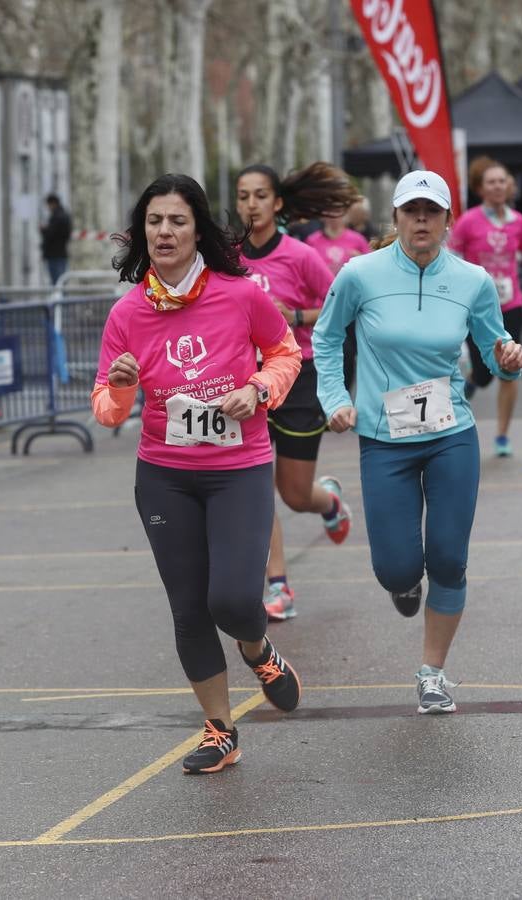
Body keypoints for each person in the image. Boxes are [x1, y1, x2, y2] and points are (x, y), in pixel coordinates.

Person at [92, 173, 304, 774]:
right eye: (154, 222)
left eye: (177, 221)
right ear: (143, 234)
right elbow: (107, 409)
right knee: (188, 608)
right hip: (165, 475)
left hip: (238, 469)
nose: (164, 232)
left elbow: (285, 352)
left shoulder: (240, 295)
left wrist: (258, 387)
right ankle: (219, 730)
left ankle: (258, 649)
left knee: (234, 600)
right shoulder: (128, 313)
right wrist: (121, 388)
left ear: (197, 231)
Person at [312, 169, 522, 715]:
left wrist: (507, 358)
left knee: (450, 559)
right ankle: (405, 584)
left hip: (451, 433)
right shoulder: (360, 274)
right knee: (398, 569)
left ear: (448, 220)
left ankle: (433, 674)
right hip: (385, 439)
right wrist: (334, 397)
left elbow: (492, 341)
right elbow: (327, 335)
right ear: (397, 218)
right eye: (413, 211)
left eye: (433, 211)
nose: (422, 220)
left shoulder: (473, 280)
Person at [235, 162, 357, 622]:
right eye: (243, 195)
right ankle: (279, 585)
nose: (251, 204)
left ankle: (327, 499)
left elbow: (339, 306)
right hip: (249, 380)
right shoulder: (228, 257)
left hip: (301, 376)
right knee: (255, 486)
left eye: (260, 195)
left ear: (278, 202)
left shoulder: (301, 255)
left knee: (294, 494)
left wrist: (297, 318)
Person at [448, 157, 522, 457]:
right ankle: (474, 380)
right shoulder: (469, 221)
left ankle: (502, 435)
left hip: (511, 304)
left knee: (510, 368)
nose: (497, 186)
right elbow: (451, 259)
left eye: (502, 181)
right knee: (485, 373)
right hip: (476, 308)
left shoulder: (518, 222)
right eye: (491, 182)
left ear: (509, 186)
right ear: (480, 188)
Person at [40, 194, 72, 285]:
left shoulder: (56, 217)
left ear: (53, 204)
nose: (48, 208)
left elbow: (50, 234)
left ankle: (59, 299)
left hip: (54, 254)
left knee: (57, 282)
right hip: (62, 253)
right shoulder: (65, 215)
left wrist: (43, 230)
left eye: (48, 205)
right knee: (61, 281)